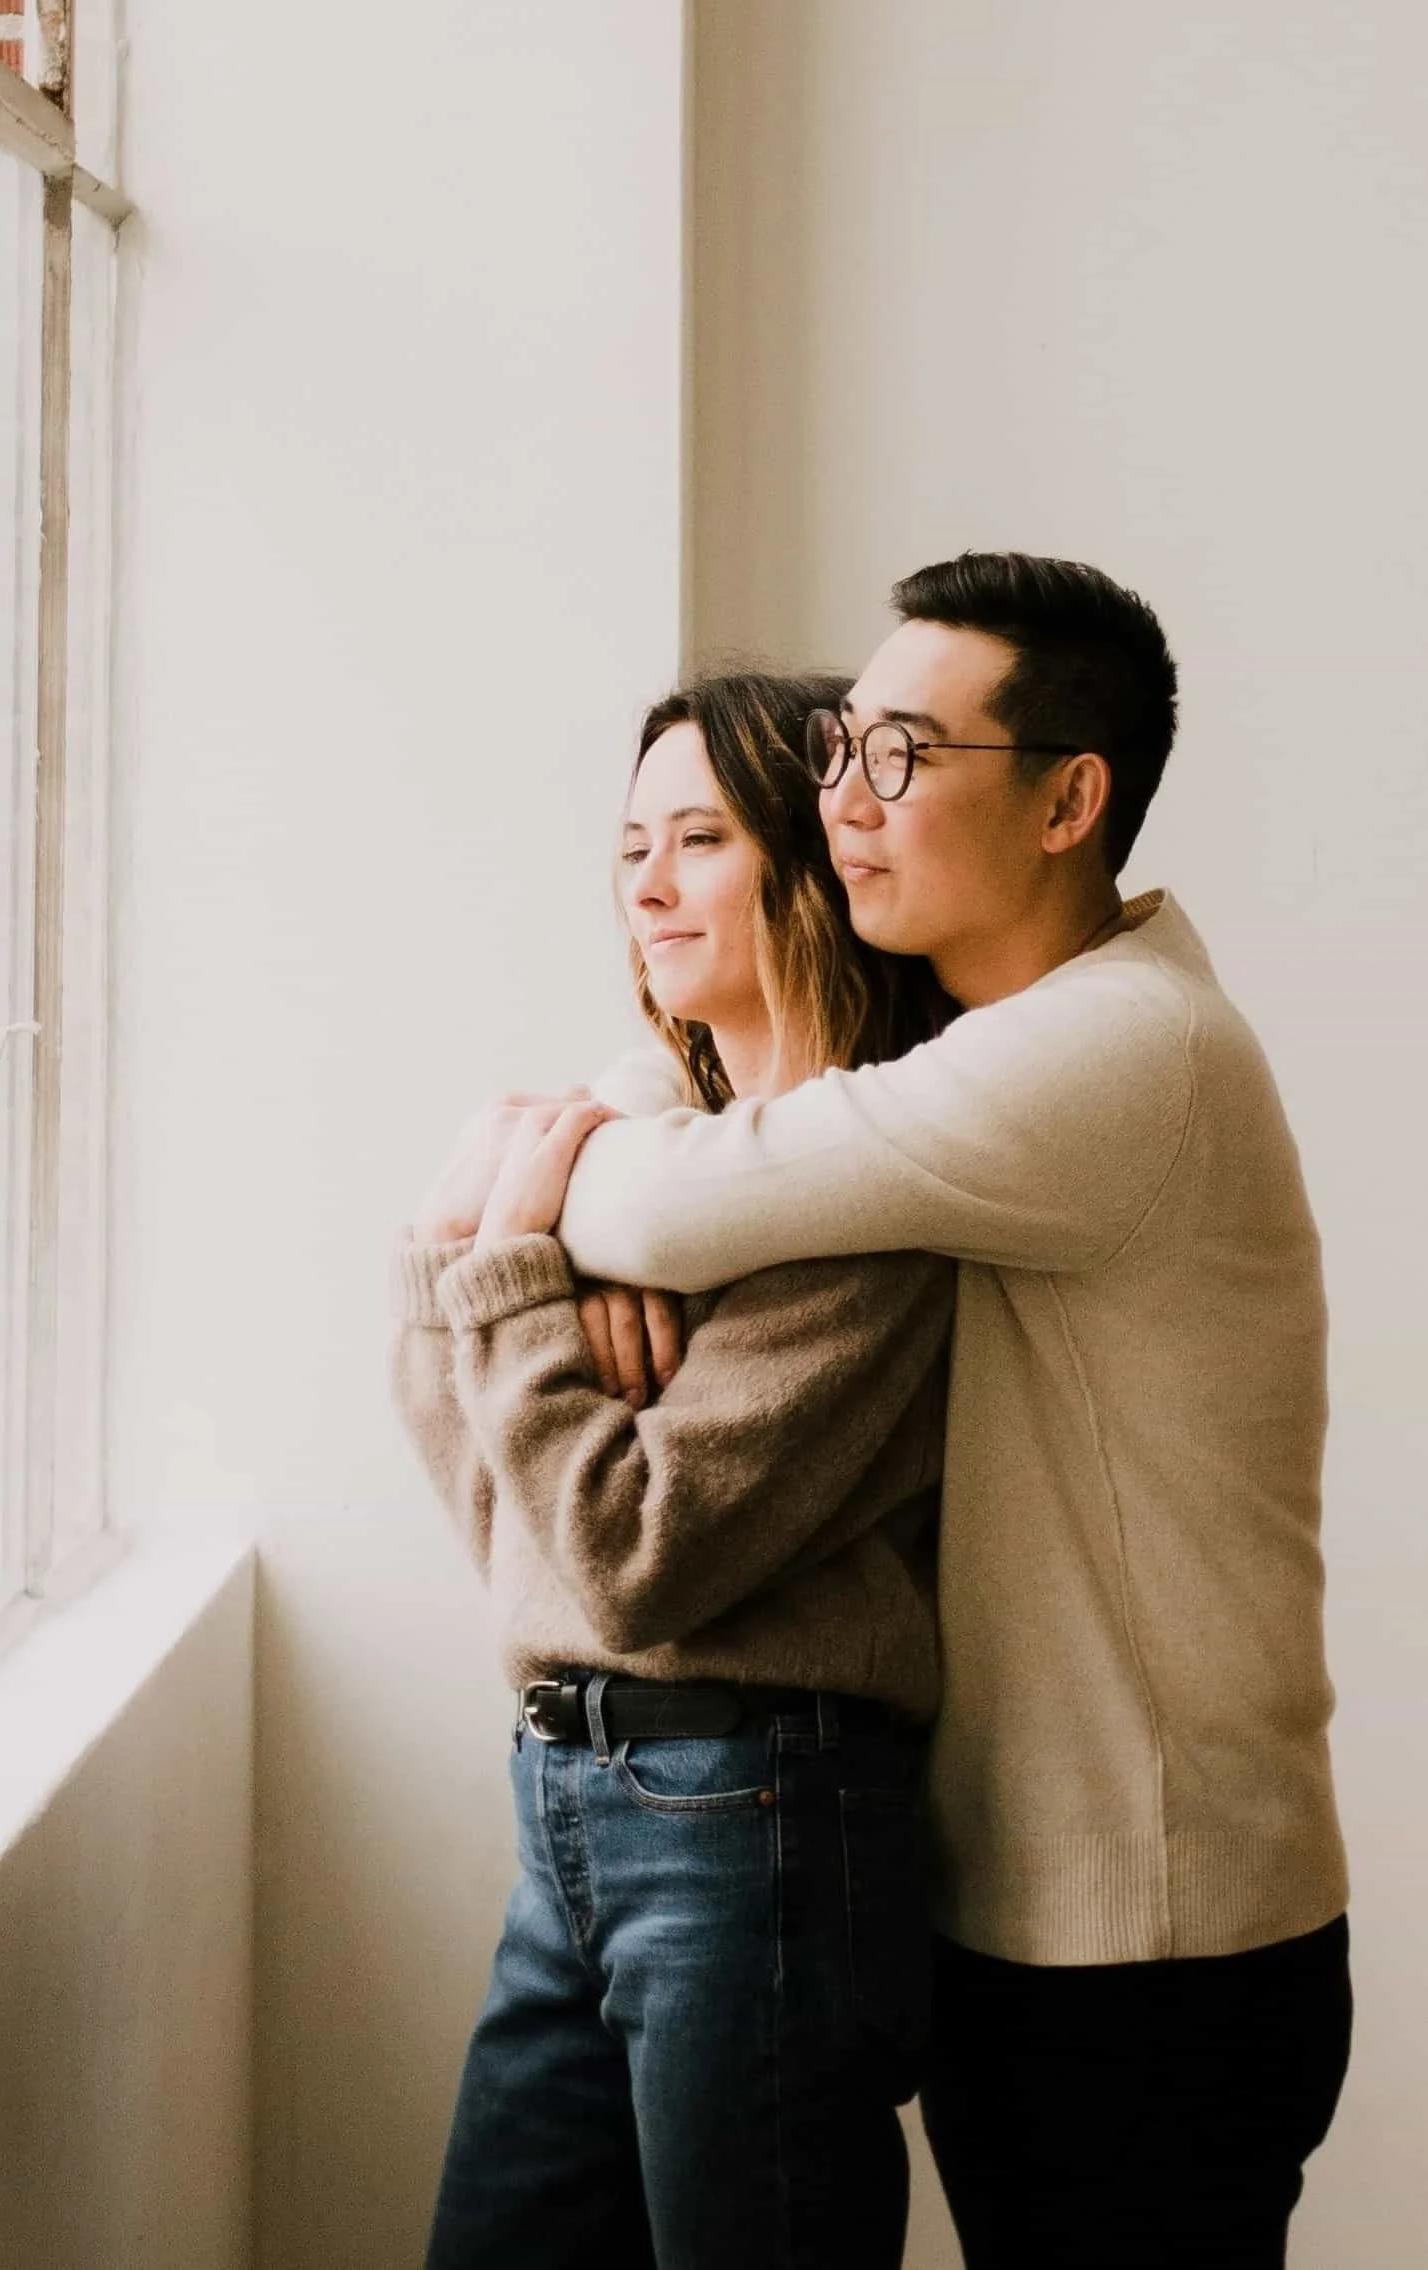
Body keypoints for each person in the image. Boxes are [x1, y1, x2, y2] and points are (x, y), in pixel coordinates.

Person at [446, 553, 1352, 2267]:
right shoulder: (979, 1041)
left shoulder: (1112, 1052)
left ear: (1073, 798)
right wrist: (616, 1111)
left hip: (1154, 1937)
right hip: (1019, 1896)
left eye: (905, 758)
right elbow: (707, 1066)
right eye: (843, 753)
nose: (846, 803)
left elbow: (668, 1195)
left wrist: (527, 1185)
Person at [392, 670, 958, 2270]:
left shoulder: (871, 1188)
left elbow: (637, 1557)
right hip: (569, 1793)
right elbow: (511, 1530)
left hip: (755, 1810)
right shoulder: (646, 1165)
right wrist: (495, 1246)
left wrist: (503, 1267)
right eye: (631, 840)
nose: (644, 881)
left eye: (698, 836)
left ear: (809, 859)